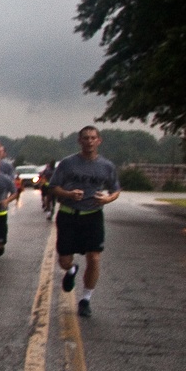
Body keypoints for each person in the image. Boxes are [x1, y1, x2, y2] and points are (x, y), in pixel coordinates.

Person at [49, 126, 121, 317]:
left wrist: (107, 199)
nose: (89, 141)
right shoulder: (67, 164)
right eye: (85, 138)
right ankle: (71, 269)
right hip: (68, 214)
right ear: (79, 141)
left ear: (99, 140)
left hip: (93, 215)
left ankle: (86, 299)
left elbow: (115, 190)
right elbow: (53, 187)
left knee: (95, 257)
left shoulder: (106, 166)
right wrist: (68, 194)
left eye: (93, 138)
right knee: (64, 260)